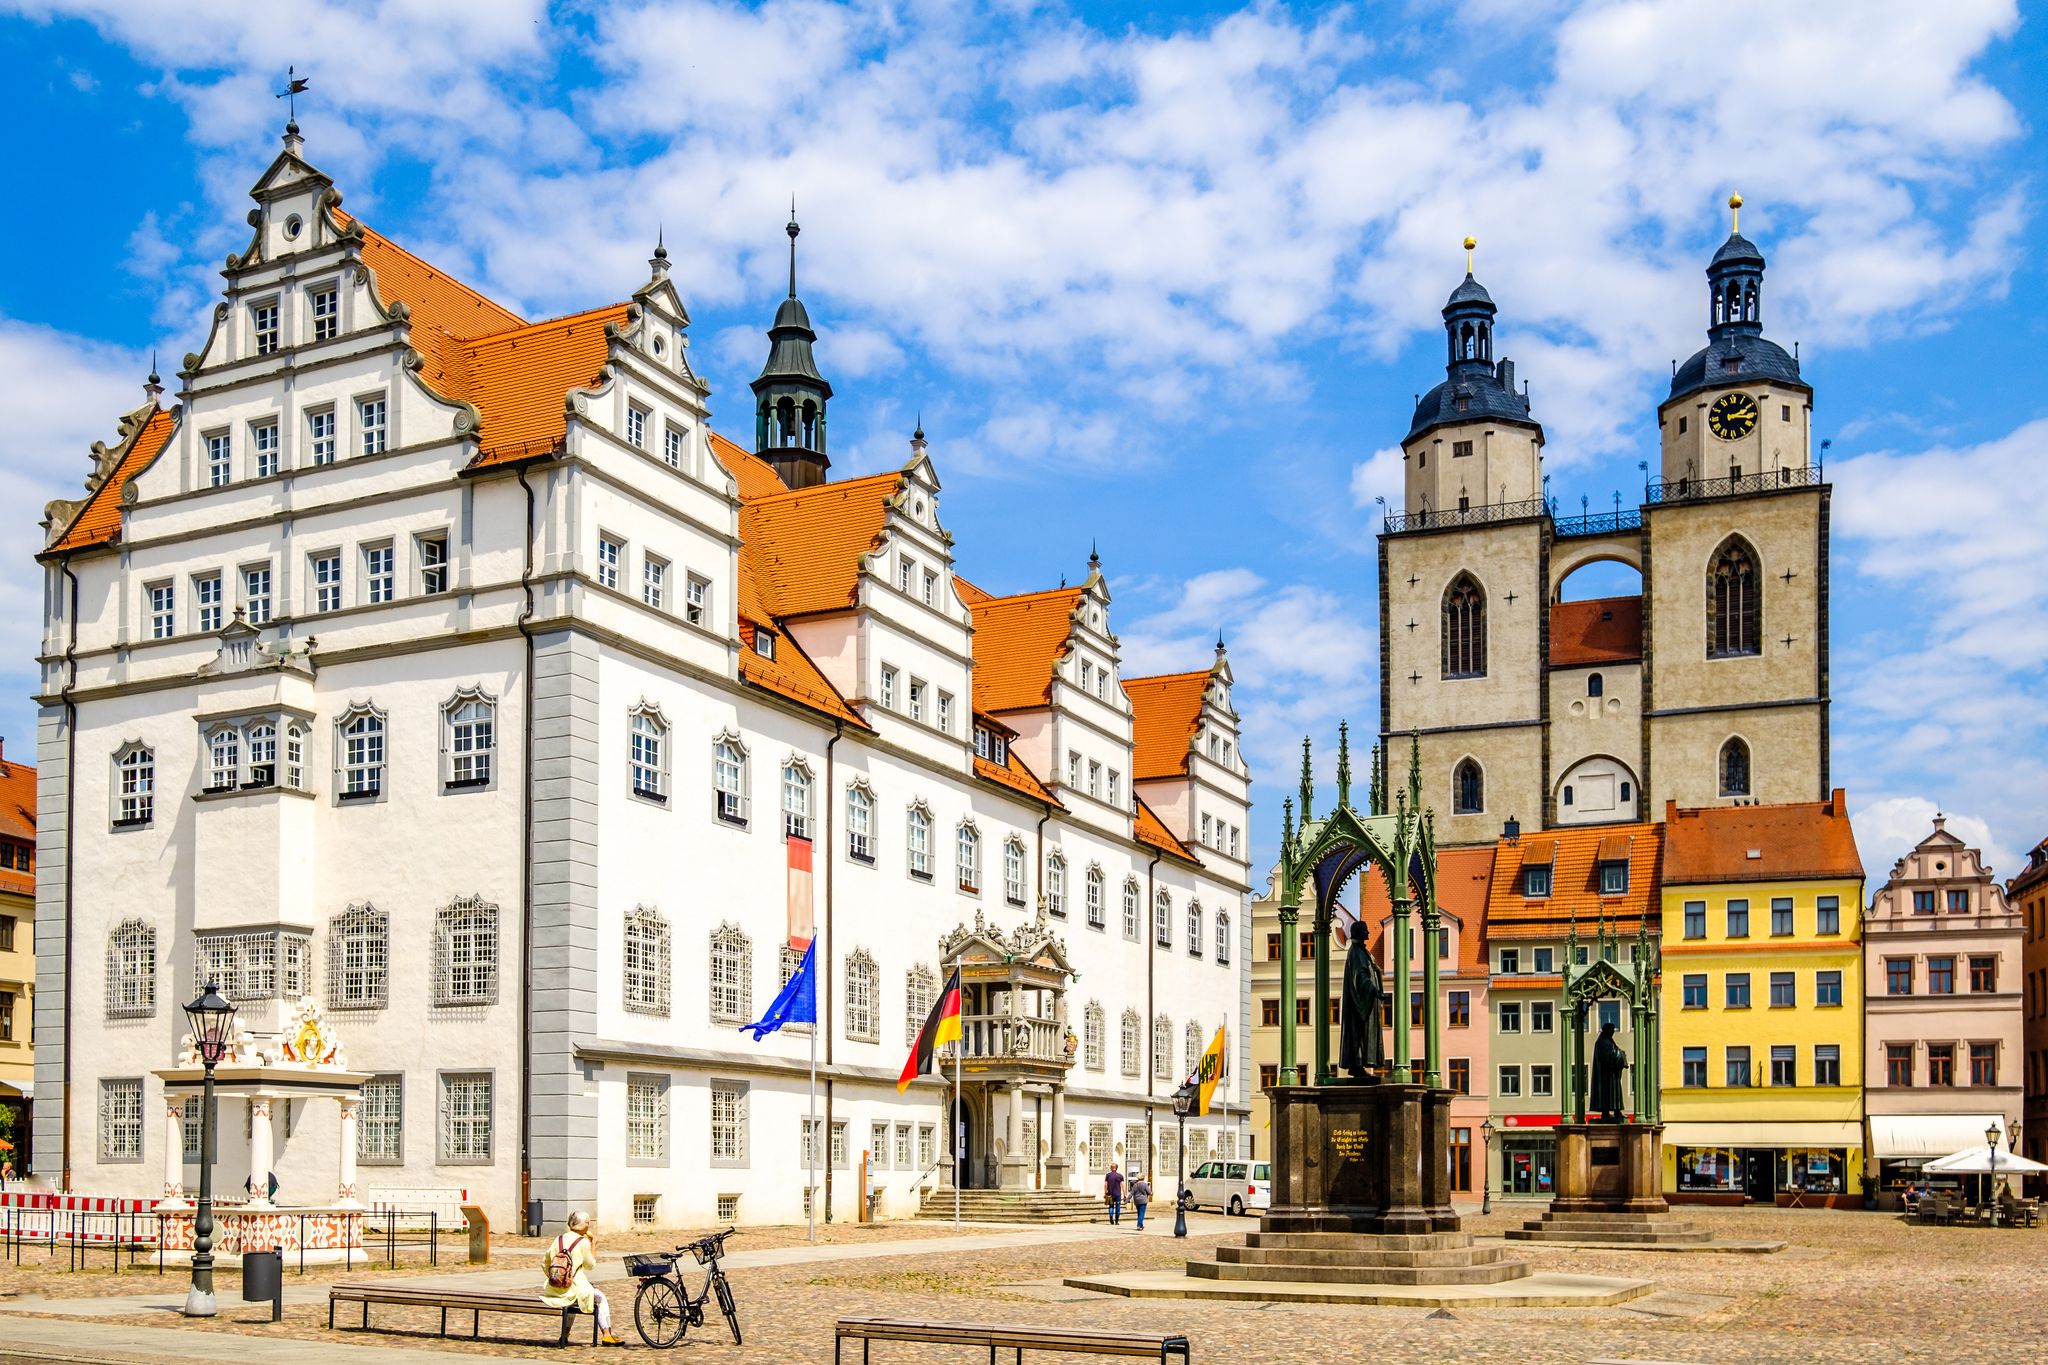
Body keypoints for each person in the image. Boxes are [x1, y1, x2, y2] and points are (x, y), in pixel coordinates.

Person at [542, 1211, 622, 1347]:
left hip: (554, 1289)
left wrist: (558, 1279)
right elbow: (590, 1265)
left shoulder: (558, 1239)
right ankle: (607, 1335)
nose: (589, 1226)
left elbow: (545, 1263)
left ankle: (565, 1335)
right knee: (601, 1299)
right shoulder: (583, 1242)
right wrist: (593, 1245)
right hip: (575, 1287)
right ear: (582, 1225)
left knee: (570, 1301)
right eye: (587, 1223)